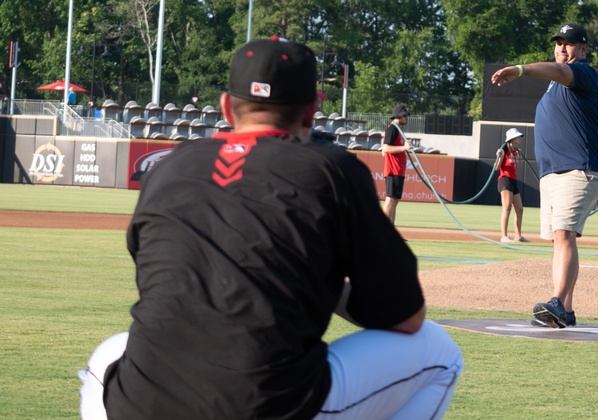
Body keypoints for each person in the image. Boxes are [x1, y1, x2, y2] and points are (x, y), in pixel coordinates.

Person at [79, 38, 462, 420]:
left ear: (227, 107)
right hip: (271, 406)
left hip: (143, 404)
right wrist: (324, 287)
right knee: (440, 351)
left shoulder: (169, 168)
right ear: (312, 112)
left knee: (110, 352)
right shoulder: (331, 170)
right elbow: (407, 317)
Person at [490, 23, 598, 329]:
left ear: (583, 49)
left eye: (568, 43)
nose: (561, 48)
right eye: (558, 43)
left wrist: (520, 69)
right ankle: (565, 310)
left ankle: (556, 301)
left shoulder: (582, 72)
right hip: (554, 173)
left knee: (564, 234)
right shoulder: (557, 83)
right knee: (560, 239)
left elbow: (557, 71)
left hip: (578, 168)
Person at [381, 104, 412, 224]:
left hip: (398, 170)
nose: (406, 118)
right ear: (398, 116)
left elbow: (384, 151)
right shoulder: (392, 128)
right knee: (390, 200)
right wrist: (404, 148)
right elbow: (386, 148)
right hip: (393, 170)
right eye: (404, 115)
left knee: (394, 201)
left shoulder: (397, 130)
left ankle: (390, 232)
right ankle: (381, 230)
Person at [496, 127, 528, 243]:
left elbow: (514, 166)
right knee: (507, 208)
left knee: (519, 209)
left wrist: (518, 156)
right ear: (512, 138)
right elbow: (497, 167)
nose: (520, 138)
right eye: (518, 136)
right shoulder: (504, 150)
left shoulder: (515, 151)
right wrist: (500, 156)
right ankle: (504, 236)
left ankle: (518, 236)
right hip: (505, 180)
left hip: (513, 180)